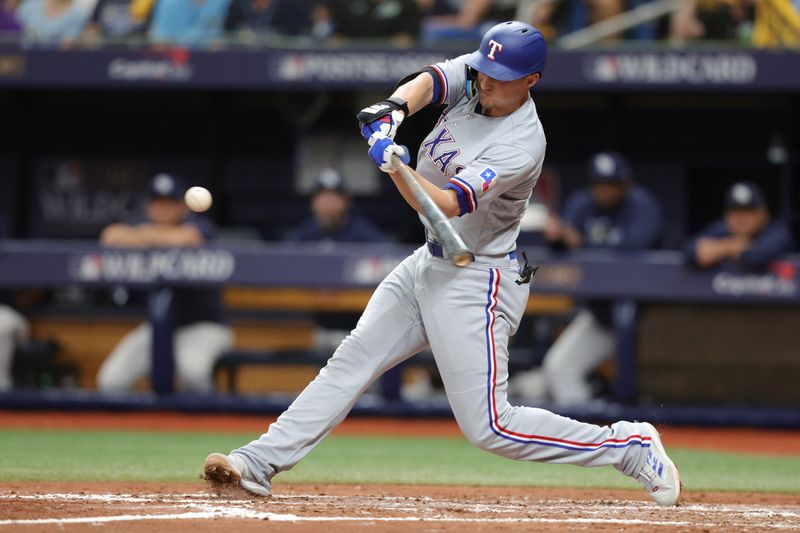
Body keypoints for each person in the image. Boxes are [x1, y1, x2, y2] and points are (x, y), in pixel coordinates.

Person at [204, 21, 681, 506]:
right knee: (350, 360)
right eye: (485, 70)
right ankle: (260, 461)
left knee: (491, 428)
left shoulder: (521, 143)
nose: (486, 81)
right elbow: (432, 80)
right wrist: (392, 109)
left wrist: (394, 164)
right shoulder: (480, 76)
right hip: (428, 263)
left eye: (502, 75)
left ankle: (628, 445)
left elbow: (445, 205)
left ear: (531, 79)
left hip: (478, 276)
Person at [511, 152, 663, 406]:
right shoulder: (582, 204)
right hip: (603, 316)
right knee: (558, 368)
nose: (604, 191)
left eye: (611, 185)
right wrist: (559, 236)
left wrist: (580, 243)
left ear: (625, 184)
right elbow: (563, 247)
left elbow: (632, 254)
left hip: (648, 318)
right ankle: (588, 435)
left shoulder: (642, 206)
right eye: (599, 185)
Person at [97, 173, 234, 393]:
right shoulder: (141, 224)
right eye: (157, 202)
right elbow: (110, 236)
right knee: (111, 380)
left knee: (193, 373)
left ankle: (203, 426)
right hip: (157, 328)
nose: (163, 209)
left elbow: (189, 239)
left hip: (204, 326)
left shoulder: (199, 224)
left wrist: (143, 237)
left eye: (170, 202)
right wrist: (152, 235)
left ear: (182, 206)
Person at [684, 181, 793, 272]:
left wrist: (717, 250)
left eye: (748, 211)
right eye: (735, 211)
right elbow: (689, 250)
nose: (740, 218)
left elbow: (755, 258)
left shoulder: (776, 231)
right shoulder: (723, 229)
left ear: (763, 214)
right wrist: (728, 246)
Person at [287, 167, 386, 244]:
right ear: (313, 202)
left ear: (348, 201)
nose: (328, 203)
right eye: (323, 197)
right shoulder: (302, 236)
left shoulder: (365, 235)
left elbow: (387, 255)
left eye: (334, 197)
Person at [148, 0, 232, 47]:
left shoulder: (221, 2)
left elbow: (217, 42)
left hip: (212, 65)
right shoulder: (169, 3)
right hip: (175, 66)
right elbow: (160, 44)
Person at [16, 0, 90, 45]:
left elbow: (67, 46)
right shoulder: (28, 6)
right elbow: (12, 36)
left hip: (56, 63)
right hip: (22, 61)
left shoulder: (78, 14)